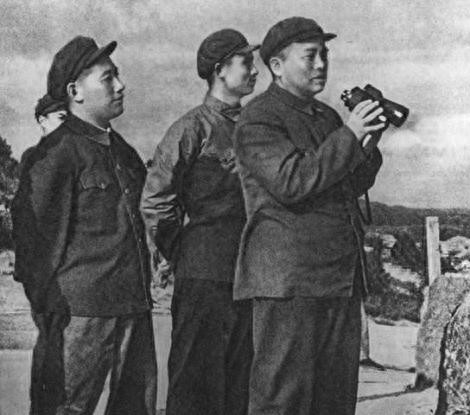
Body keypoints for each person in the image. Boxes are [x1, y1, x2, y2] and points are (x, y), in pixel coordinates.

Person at [232, 16, 388, 415]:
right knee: (282, 401)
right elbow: (292, 181)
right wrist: (350, 136)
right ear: (277, 65)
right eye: (310, 56)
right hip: (290, 283)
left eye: (325, 55)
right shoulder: (259, 118)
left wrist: (368, 142)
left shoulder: (328, 118)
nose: (321, 65)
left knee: (333, 401)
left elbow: (348, 184)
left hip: (337, 279)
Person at [12, 36, 156, 415]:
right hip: (80, 315)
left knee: (134, 408)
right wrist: (52, 313)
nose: (120, 85)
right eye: (108, 78)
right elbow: (33, 243)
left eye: (118, 75)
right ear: (75, 91)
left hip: (133, 307)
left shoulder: (125, 153)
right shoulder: (55, 153)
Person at [140, 29, 259, 415]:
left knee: (241, 390)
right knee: (195, 390)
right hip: (203, 278)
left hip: (251, 278)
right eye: (246, 62)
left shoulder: (257, 128)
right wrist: (183, 251)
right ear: (220, 70)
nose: (255, 70)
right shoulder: (191, 128)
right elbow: (156, 201)